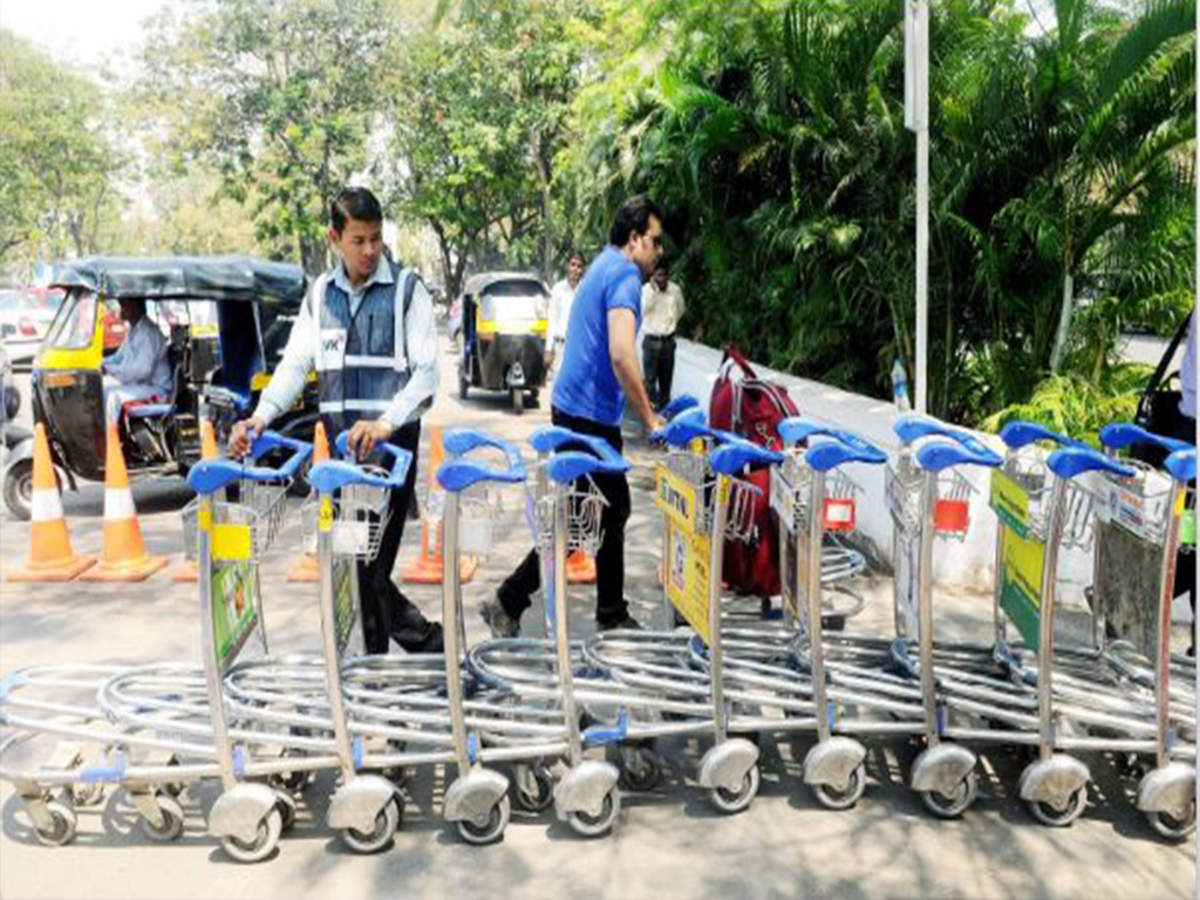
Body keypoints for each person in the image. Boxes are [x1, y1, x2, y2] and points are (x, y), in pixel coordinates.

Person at [228, 186, 443, 654]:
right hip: (342, 472)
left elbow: (426, 376)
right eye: (358, 240)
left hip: (389, 466)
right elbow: (294, 365)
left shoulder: (408, 292)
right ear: (334, 237)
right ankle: (421, 651)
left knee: (368, 572)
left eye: (376, 240)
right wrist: (260, 416)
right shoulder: (320, 295)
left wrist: (385, 423)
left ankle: (398, 667)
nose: (369, 251)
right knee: (357, 571)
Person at [481, 195, 666, 636]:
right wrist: (650, 418)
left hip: (576, 409)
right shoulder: (622, 274)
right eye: (655, 241)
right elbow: (622, 355)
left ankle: (511, 599)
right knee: (607, 509)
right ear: (635, 237)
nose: (659, 252)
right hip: (588, 417)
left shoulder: (602, 264)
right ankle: (609, 615)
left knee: (580, 515)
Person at [101, 299, 172, 422]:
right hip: (142, 384)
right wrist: (101, 363)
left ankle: (112, 437)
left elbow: (141, 370)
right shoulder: (133, 330)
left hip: (157, 389)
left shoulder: (148, 332)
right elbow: (120, 357)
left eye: (124, 305)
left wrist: (111, 370)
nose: (121, 309)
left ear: (135, 307)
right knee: (102, 385)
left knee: (113, 396)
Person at [640, 260, 686, 410]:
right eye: (659, 275)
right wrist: (654, 292)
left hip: (667, 341)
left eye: (664, 275)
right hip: (651, 342)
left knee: (666, 384)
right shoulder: (646, 290)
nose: (662, 279)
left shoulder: (675, 290)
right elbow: (642, 311)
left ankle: (665, 417)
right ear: (653, 276)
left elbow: (680, 310)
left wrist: (669, 325)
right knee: (650, 385)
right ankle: (650, 419)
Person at [545, 250, 585, 374]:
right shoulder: (557, 290)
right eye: (573, 264)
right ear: (567, 266)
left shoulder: (586, 290)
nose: (575, 269)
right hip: (560, 346)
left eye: (579, 266)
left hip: (580, 347)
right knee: (559, 387)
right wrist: (548, 349)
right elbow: (552, 320)